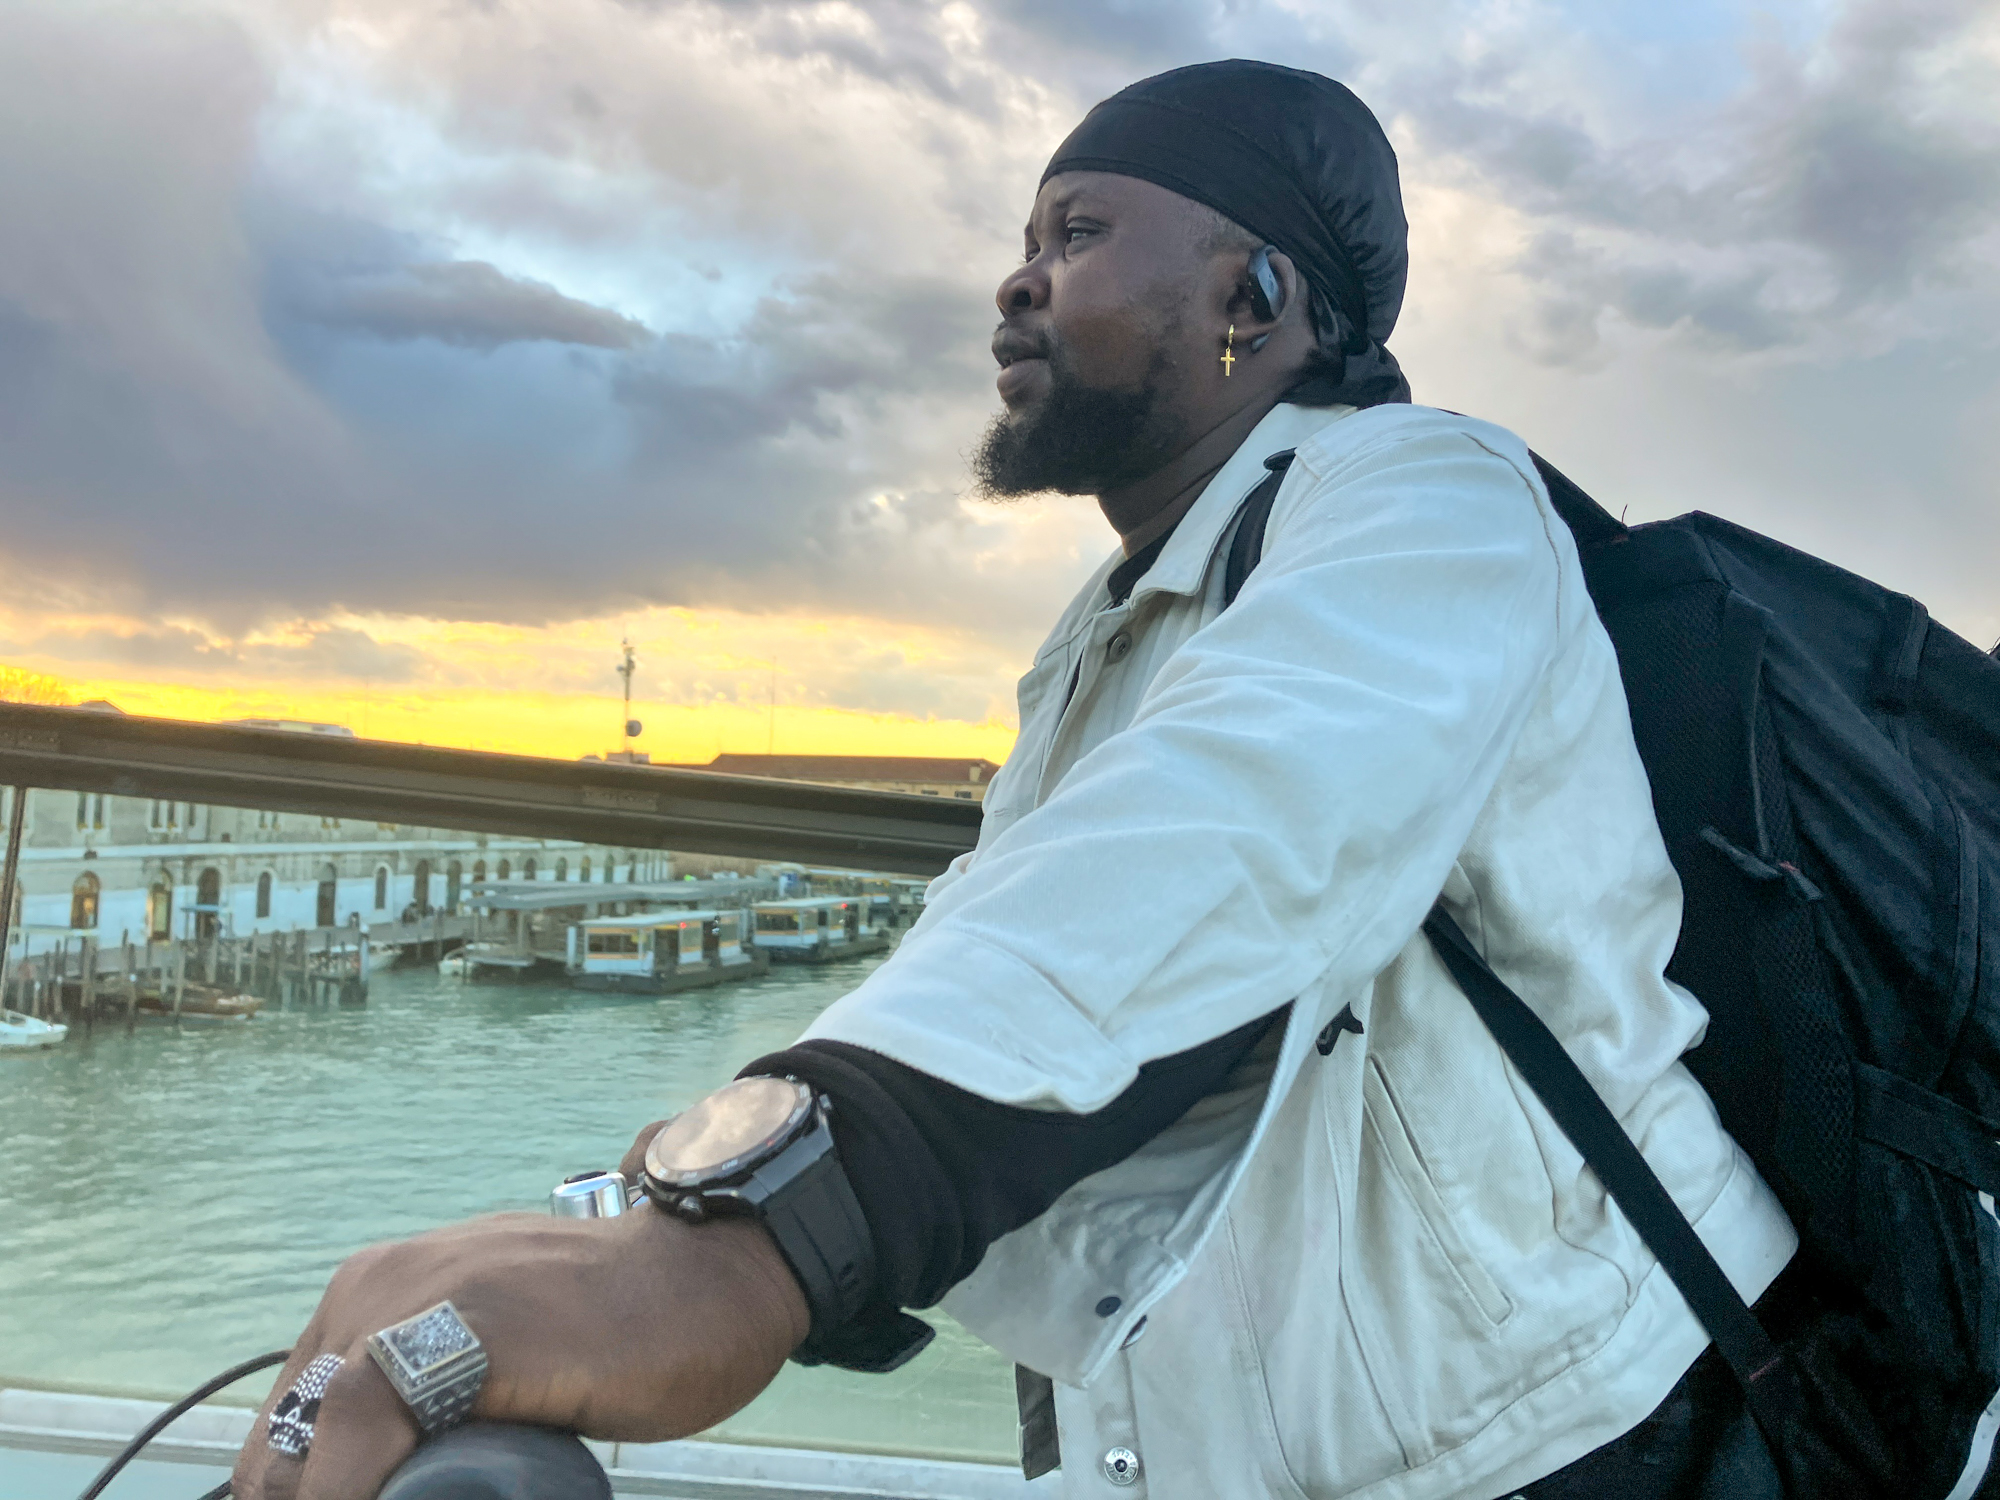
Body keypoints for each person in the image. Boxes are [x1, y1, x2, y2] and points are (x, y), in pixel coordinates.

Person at [232, 60, 1798, 1500]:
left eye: (1080, 231)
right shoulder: (1104, 632)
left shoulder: (1432, 497)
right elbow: (1012, 944)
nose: (1018, 278)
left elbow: (1230, 836)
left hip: (1584, 1438)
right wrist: (644, 1205)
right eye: (1025, 237)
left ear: (1256, 295)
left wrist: (756, 1238)